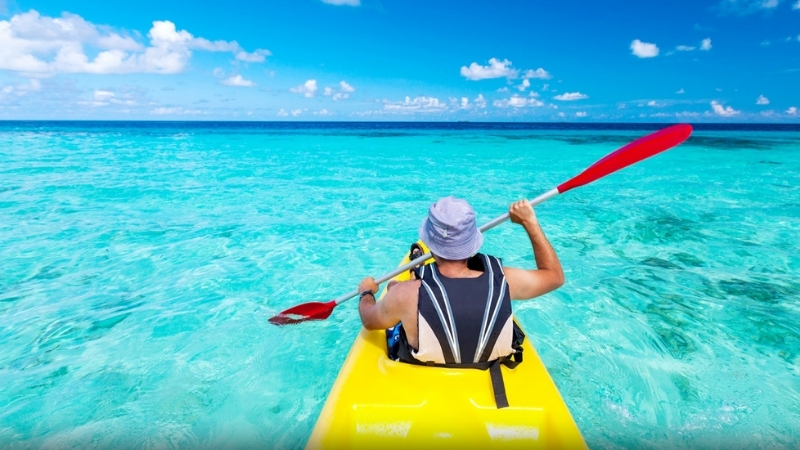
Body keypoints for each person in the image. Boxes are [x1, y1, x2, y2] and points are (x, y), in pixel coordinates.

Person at [357, 196, 564, 377]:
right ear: (472, 242)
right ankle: (418, 272)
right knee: (404, 291)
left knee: (396, 288)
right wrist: (530, 221)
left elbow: (369, 319)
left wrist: (366, 292)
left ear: (431, 243)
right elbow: (554, 276)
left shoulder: (404, 295)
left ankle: (417, 271)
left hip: (421, 365)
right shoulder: (507, 281)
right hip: (489, 369)